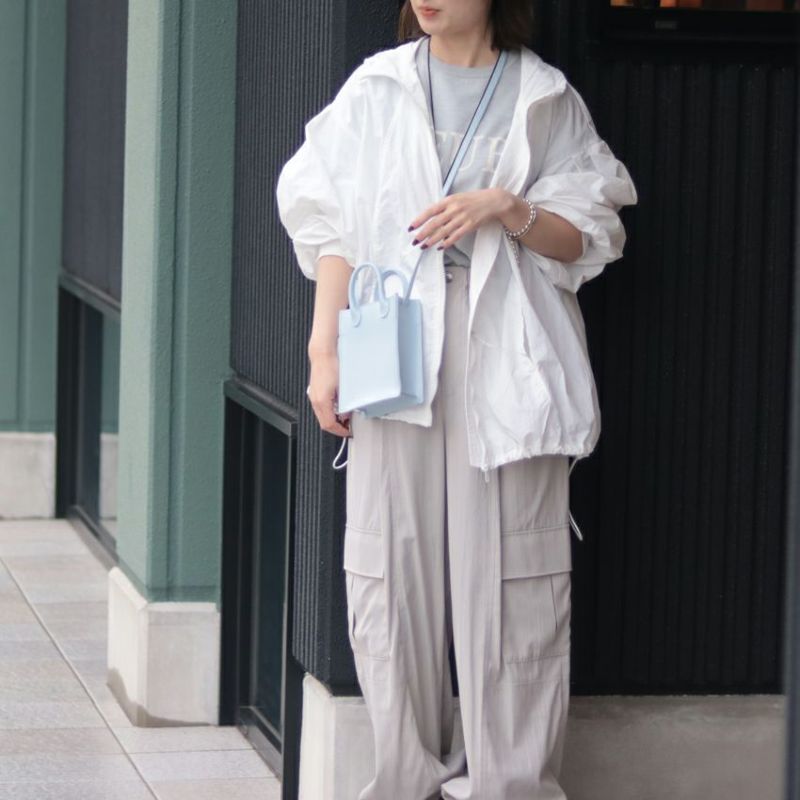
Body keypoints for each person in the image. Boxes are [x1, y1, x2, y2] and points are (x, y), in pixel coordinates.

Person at [275, 2, 638, 798]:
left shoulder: (543, 97)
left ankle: (510, 785)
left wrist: (508, 209)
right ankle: (406, 779)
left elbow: (590, 234)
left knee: (514, 581)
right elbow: (331, 225)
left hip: (505, 352)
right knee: (389, 570)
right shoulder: (377, 88)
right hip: (393, 347)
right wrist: (323, 351)